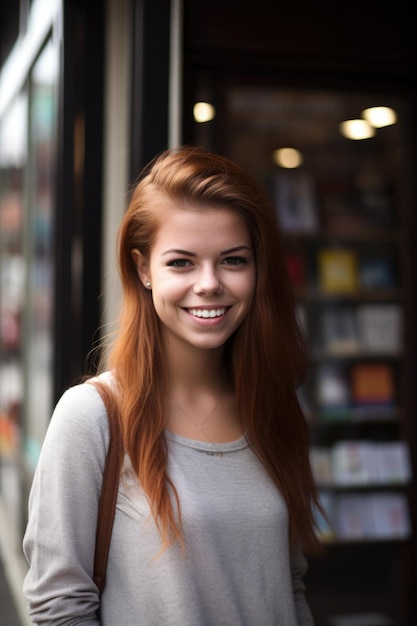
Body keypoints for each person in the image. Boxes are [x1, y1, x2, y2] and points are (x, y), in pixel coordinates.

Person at [23, 146, 321, 625]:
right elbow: (59, 606)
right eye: (182, 263)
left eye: (233, 260)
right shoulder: (93, 416)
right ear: (143, 269)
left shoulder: (274, 406)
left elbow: (287, 584)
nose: (209, 284)